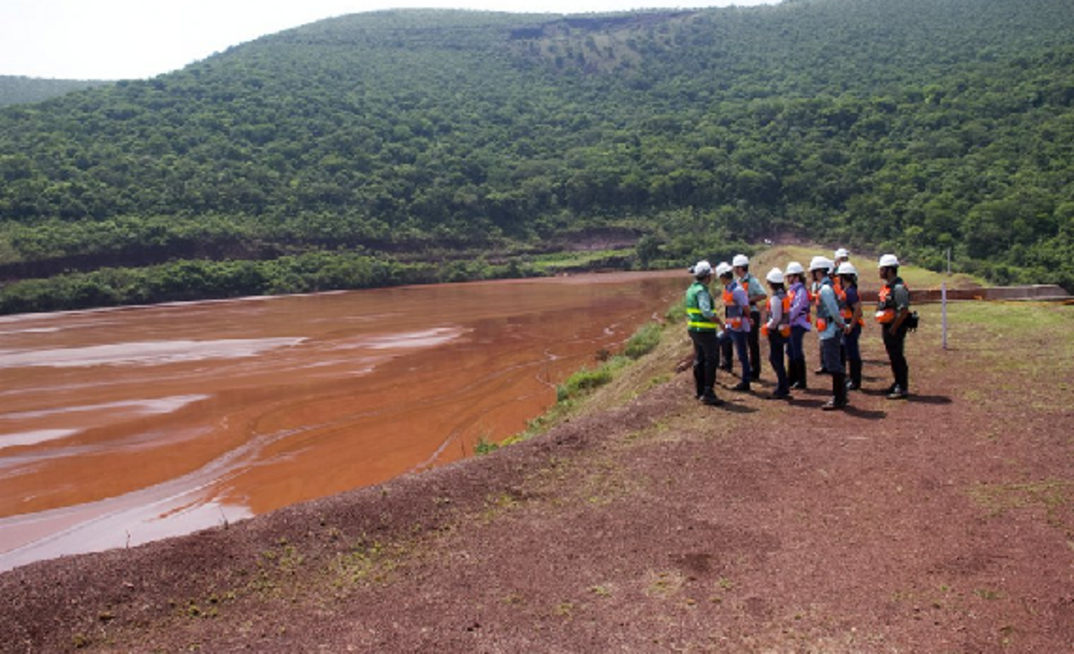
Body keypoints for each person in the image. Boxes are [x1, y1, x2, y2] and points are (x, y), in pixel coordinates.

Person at [810, 256, 848, 410]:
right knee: (834, 364)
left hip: (830, 330)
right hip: (830, 329)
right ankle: (840, 396)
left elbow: (833, 310)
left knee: (834, 365)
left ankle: (839, 398)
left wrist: (840, 324)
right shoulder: (828, 286)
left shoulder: (825, 289)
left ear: (819, 271)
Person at [685, 260, 724, 406]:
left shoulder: (690, 290)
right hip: (705, 331)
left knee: (699, 359)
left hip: (694, 330)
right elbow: (706, 311)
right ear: (707, 276)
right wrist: (719, 321)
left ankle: (700, 390)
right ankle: (708, 392)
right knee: (711, 360)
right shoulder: (702, 291)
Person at [876, 254, 911, 399]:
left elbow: (903, 311)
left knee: (897, 357)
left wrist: (893, 328)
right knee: (893, 356)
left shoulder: (898, 288)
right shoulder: (889, 287)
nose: (880, 272)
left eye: (882, 269)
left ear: (889, 270)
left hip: (895, 328)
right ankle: (897, 383)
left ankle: (902, 387)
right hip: (889, 326)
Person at [717, 261, 752, 391]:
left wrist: (749, 319)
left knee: (742, 355)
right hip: (730, 326)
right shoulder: (728, 288)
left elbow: (745, 306)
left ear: (723, 277)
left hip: (739, 327)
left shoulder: (738, 290)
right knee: (716, 341)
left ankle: (746, 382)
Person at [733, 254, 767, 382]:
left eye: (736, 268)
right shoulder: (738, 281)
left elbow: (763, 294)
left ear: (741, 268)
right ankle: (748, 369)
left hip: (751, 313)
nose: (735, 270)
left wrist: (747, 300)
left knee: (753, 343)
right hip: (741, 314)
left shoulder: (752, 281)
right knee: (744, 342)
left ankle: (755, 370)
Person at [762, 267, 792, 399]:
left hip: (775, 332)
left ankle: (783, 387)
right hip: (784, 330)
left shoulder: (775, 298)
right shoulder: (784, 295)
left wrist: (767, 326)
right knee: (777, 358)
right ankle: (783, 385)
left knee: (775, 359)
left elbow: (775, 318)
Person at [837, 262, 864, 391]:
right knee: (849, 352)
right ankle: (853, 378)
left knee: (853, 353)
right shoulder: (848, 290)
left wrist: (851, 326)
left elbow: (858, 310)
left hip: (851, 326)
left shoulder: (851, 292)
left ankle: (855, 380)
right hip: (848, 325)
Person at [785, 261, 811, 390]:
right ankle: (792, 378)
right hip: (792, 324)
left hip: (798, 324)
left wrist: (786, 319)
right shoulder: (792, 290)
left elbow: (796, 309)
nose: (788, 279)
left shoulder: (801, 291)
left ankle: (801, 380)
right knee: (790, 351)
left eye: (789, 276)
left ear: (796, 276)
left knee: (796, 351)